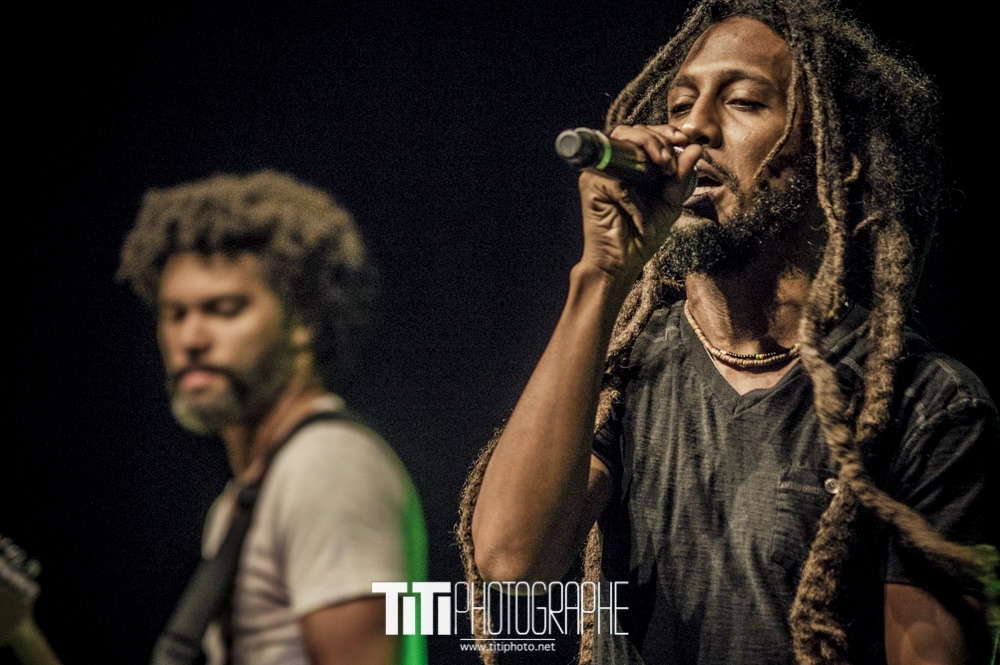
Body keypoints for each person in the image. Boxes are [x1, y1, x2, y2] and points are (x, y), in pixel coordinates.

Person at [459, 1, 998, 664]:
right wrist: (601, 275)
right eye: (679, 105)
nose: (692, 129)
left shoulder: (925, 405)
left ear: (837, 157)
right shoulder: (629, 371)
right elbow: (512, 567)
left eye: (741, 101)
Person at [119, 171, 427, 665]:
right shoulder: (239, 501)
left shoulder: (329, 466)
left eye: (224, 309)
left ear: (304, 320)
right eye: (175, 314)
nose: (191, 339)